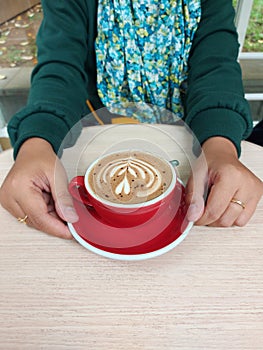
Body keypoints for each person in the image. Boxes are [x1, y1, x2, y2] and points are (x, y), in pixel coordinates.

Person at [0, 0, 262, 239]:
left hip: (191, 143)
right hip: (95, 138)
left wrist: (220, 147)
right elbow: (60, 68)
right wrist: (36, 144)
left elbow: (216, 68)